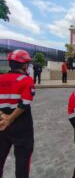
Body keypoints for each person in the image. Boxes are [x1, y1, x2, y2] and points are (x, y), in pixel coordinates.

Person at [0, 50, 35, 178]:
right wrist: (10, 119)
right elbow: (24, 103)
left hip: (1, 124)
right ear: (24, 65)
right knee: (22, 162)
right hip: (22, 126)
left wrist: (3, 116)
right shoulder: (26, 80)